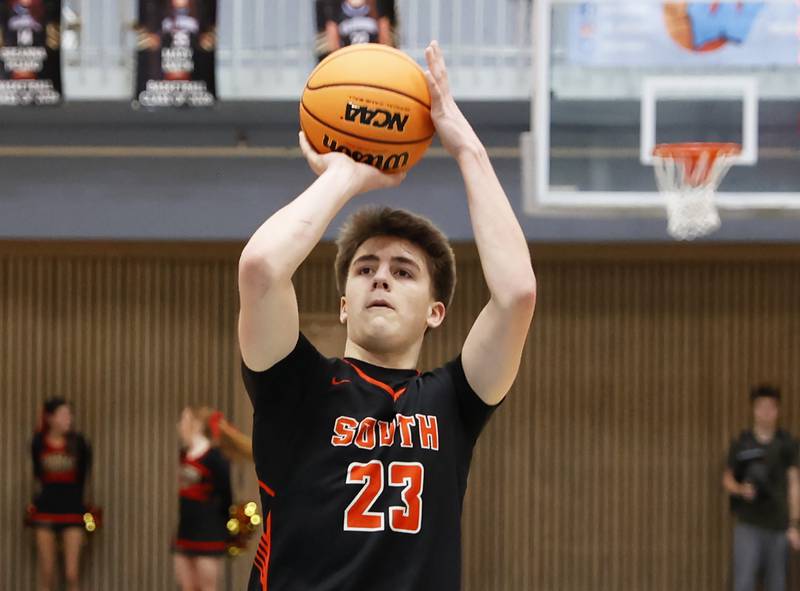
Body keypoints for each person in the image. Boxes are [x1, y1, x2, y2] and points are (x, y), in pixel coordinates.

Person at [238, 40, 536, 591]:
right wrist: (346, 176)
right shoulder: (296, 386)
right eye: (366, 268)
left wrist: (465, 145)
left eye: (404, 272)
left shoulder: (453, 403)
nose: (381, 278)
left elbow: (516, 293)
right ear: (344, 304)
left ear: (436, 312)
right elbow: (260, 268)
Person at [722, 385, 800, 591]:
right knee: (744, 583)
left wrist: (794, 524)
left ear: (777, 411)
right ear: (754, 410)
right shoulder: (742, 442)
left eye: (771, 407)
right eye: (761, 407)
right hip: (748, 524)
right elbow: (727, 479)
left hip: (779, 526)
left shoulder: (787, 444)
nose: (766, 412)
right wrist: (741, 489)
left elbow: (794, 483)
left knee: (777, 584)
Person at [173, 406, 247, 591]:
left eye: (185, 420)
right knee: (187, 586)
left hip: (208, 532)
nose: (180, 425)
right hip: (186, 530)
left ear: (197, 425)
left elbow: (226, 494)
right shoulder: (184, 454)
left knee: (208, 587)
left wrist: (226, 530)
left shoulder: (215, 457)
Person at [29, 397, 92, 591]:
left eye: (70, 414)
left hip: (73, 509)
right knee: (47, 573)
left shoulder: (79, 443)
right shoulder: (38, 442)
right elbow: (38, 473)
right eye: (63, 414)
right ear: (50, 418)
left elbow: (83, 475)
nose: (69, 418)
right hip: (45, 509)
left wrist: (87, 515)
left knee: (72, 573)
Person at [315, 0, 396, 62]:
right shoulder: (335, 9)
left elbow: (385, 44)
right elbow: (333, 47)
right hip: (346, 62)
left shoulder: (378, 7)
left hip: (372, 61)